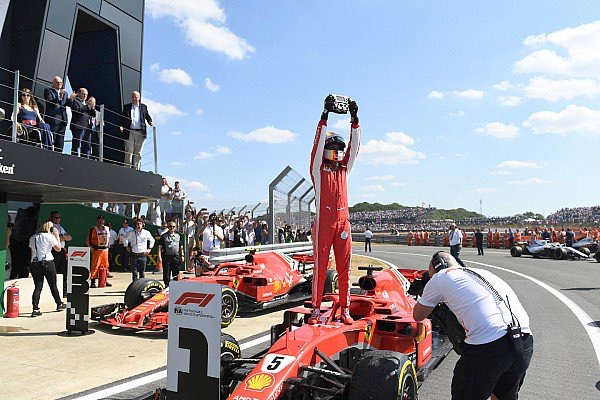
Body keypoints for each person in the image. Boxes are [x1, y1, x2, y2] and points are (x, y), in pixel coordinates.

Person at [413, 251, 533, 400]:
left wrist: (428, 286)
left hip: (490, 345)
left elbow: (417, 315)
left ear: (437, 267)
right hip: (523, 341)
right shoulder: (481, 272)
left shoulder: (439, 277)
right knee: (502, 395)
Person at [309, 95, 360, 325]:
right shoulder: (317, 170)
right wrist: (324, 117)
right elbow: (317, 147)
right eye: (334, 147)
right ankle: (316, 309)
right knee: (320, 267)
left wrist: (355, 120)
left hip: (343, 223)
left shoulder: (343, 170)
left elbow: (355, 149)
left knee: (345, 268)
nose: (338, 151)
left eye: (340, 148)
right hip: (324, 224)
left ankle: (345, 308)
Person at [29, 220, 66, 316]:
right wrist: (57, 236)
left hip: (34, 263)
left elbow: (31, 250)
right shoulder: (50, 237)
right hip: (47, 262)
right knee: (53, 285)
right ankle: (59, 304)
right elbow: (58, 249)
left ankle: (35, 309)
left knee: (38, 287)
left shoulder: (33, 237)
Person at [119, 91, 154, 169]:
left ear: (139, 98)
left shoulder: (143, 107)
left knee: (138, 152)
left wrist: (150, 122)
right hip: (129, 131)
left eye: (136, 97)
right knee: (129, 150)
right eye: (133, 97)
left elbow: (147, 116)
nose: (134, 98)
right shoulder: (127, 107)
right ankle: (127, 168)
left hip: (140, 132)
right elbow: (122, 118)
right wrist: (121, 125)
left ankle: (136, 169)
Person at [49, 211, 72, 297]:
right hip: (54, 250)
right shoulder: (50, 226)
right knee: (55, 271)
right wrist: (62, 237)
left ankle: (64, 290)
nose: (58, 219)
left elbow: (69, 237)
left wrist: (61, 237)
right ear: (51, 218)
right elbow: (56, 239)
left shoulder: (60, 227)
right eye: (56, 217)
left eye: (59, 217)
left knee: (63, 271)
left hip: (62, 250)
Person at [44, 76, 69, 152]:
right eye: (57, 82)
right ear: (53, 83)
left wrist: (71, 99)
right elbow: (50, 101)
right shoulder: (48, 90)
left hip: (63, 120)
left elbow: (67, 104)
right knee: (52, 140)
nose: (59, 84)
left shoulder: (65, 93)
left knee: (60, 143)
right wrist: (59, 97)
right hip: (53, 120)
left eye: (60, 83)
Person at [86, 215, 112, 288]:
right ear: (97, 221)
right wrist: (91, 248)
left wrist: (108, 248)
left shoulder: (107, 229)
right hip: (97, 250)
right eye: (99, 220)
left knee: (105, 266)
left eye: (102, 220)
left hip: (105, 250)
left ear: (104, 221)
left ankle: (104, 280)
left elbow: (108, 239)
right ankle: (93, 281)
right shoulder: (93, 229)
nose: (101, 222)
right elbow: (88, 240)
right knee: (95, 266)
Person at [158, 221, 184, 286]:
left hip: (176, 256)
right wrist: (159, 256)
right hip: (167, 256)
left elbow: (181, 247)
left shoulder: (178, 236)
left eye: (173, 226)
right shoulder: (164, 236)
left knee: (176, 272)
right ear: (168, 227)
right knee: (167, 272)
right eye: (170, 226)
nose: (172, 228)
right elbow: (159, 247)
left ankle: (176, 285)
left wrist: (182, 255)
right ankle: (167, 285)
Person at [87, 96, 101, 160]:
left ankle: (95, 160)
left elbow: (102, 123)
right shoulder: (86, 111)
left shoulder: (98, 113)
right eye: (90, 102)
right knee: (87, 146)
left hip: (95, 132)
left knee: (96, 148)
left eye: (93, 102)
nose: (91, 104)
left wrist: (99, 123)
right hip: (88, 131)